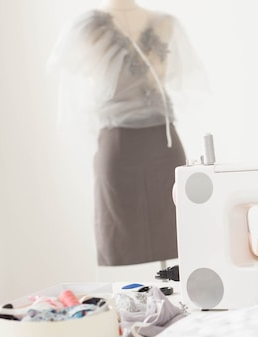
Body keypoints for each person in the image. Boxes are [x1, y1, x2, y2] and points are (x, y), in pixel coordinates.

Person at [48, 0, 206, 266]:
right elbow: (73, 97)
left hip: (164, 142)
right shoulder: (87, 28)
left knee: (178, 231)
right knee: (122, 238)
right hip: (118, 145)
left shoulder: (166, 24)